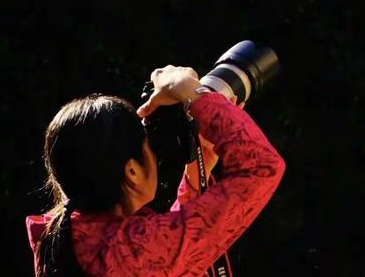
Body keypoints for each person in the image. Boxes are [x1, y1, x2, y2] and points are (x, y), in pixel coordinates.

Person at [26, 65, 285, 277]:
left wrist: (198, 170)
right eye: (147, 144)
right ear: (132, 172)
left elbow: (167, 255)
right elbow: (261, 167)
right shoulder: (134, 253)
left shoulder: (66, 239)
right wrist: (192, 93)